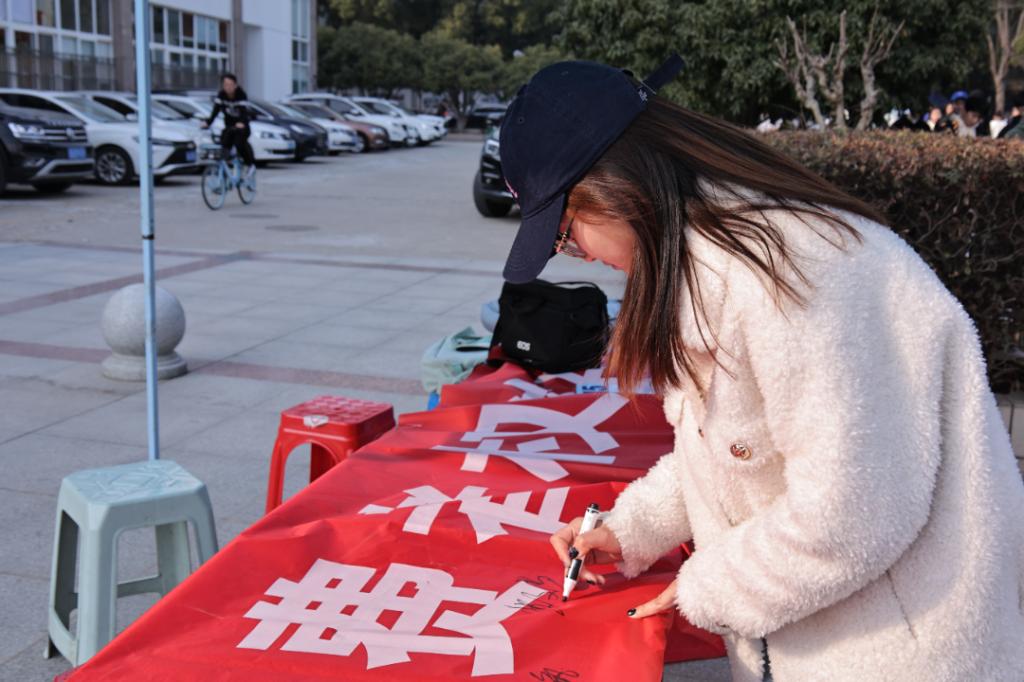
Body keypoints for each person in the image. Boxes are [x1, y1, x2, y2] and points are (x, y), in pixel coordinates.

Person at [498, 57, 1024, 681]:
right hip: (839, 633)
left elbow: (851, 515)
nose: (579, 255)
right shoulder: (712, 258)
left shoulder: (793, 273)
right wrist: (631, 528)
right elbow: (732, 453)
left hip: (906, 653)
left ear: (614, 184)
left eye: (564, 233)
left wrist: (708, 587)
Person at [201, 73, 256, 172]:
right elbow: (215, 111)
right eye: (226, 85)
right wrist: (208, 123)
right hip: (229, 127)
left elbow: (245, 112)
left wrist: (241, 122)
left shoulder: (241, 94)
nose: (228, 87)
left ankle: (249, 164)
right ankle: (225, 167)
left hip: (242, 128)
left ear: (235, 85)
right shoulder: (221, 95)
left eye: (231, 85)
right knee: (224, 144)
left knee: (239, 144)